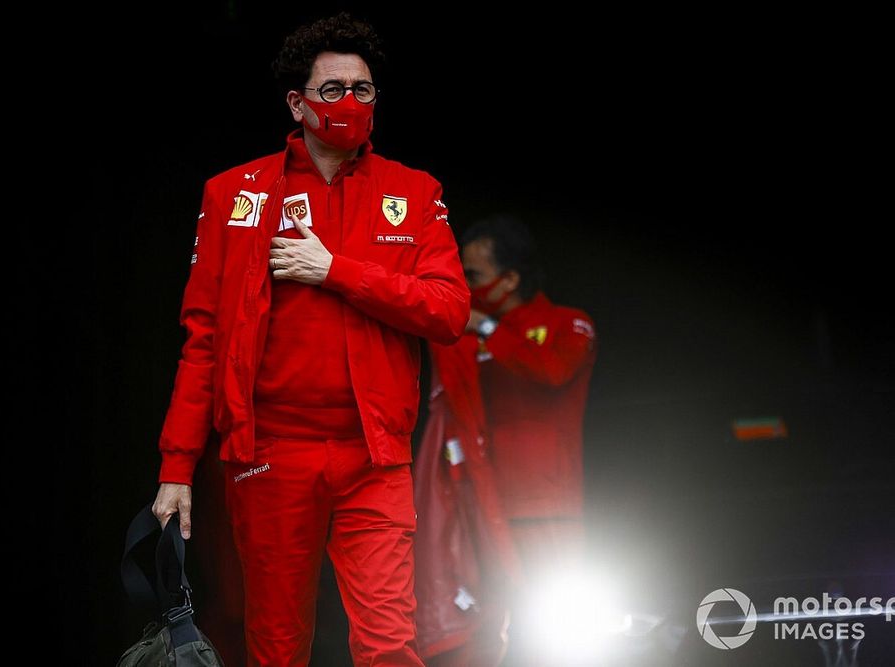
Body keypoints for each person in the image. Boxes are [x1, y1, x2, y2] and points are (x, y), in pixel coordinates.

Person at [150, 13, 469, 666]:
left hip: (375, 456)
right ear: (297, 102)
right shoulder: (233, 194)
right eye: (333, 89)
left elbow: (449, 311)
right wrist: (177, 466)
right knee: (276, 646)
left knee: (390, 645)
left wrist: (336, 271)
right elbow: (202, 338)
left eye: (364, 89)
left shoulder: (415, 191)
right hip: (270, 453)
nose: (351, 102)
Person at [460, 215, 596, 579]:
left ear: (510, 279)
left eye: (472, 276)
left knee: (556, 617)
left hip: (548, 504)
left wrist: (488, 328)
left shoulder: (569, 323)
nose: (465, 286)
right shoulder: (462, 336)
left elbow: (552, 371)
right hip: (478, 497)